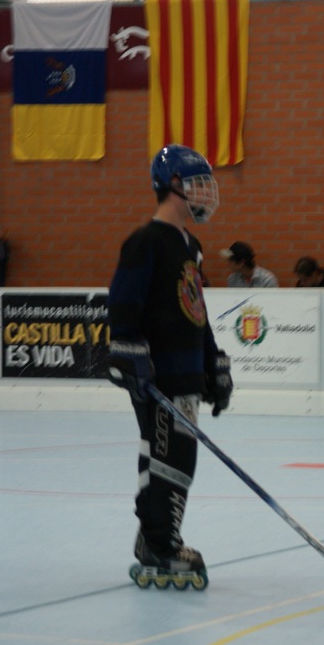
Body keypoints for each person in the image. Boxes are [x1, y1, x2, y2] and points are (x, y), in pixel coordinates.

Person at [107, 144, 233, 590]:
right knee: (166, 458)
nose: (205, 193)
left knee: (181, 457)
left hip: (184, 374)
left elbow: (194, 308)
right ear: (172, 186)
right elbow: (123, 301)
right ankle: (160, 543)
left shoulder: (190, 245)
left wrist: (212, 364)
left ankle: (156, 536)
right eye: (197, 183)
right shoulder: (146, 241)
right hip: (157, 375)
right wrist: (126, 350)